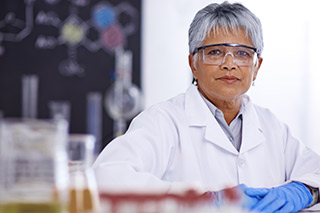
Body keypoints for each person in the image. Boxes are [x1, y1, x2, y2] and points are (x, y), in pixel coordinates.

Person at [93, 1, 320, 212]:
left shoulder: (272, 127)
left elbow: (315, 172)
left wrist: (305, 191)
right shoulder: (162, 121)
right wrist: (201, 200)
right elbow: (106, 179)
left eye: (242, 53)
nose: (229, 64)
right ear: (193, 63)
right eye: (215, 52)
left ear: (256, 66)